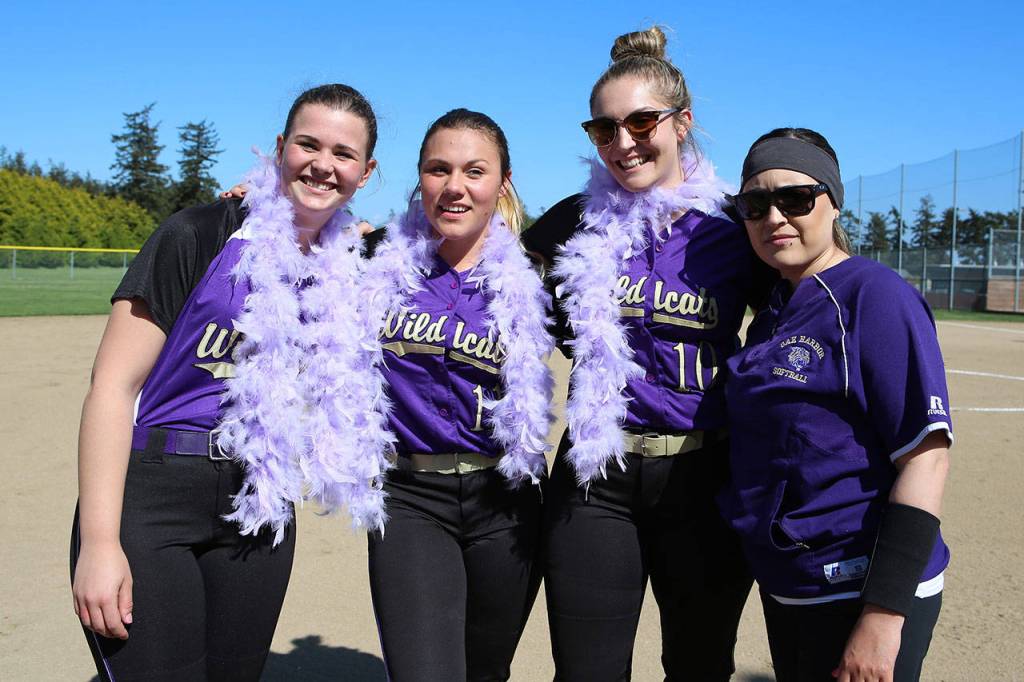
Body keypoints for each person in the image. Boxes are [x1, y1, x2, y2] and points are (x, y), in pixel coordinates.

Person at [70, 83, 388, 681]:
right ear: (279, 148)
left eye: (344, 155)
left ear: (366, 172)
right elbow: (111, 388)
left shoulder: (355, 264)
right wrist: (99, 543)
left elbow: (461, 232)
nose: (323, 165)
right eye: (308, 145)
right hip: (155, 493)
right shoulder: (198, 233)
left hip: (259, 505)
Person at [524, 26, 763, 681]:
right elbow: (475, 268)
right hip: (596, 481)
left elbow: (808, 299)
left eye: (640, 122)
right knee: (586, 671)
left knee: (698, 665)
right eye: (603, 129)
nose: (622, 142)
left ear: (681, 123)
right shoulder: (573, 219)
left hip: (704, 478)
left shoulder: (736, 224)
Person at [719, 127, 952, 682]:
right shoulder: (778, 307)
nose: (774, 216)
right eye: (755, 203)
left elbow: (927, 456)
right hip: (793, 583)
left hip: (860, 584)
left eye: (795, 198)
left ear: (832, 200)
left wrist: (882, 615)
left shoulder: (875, 295)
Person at [357, 108, 555, 682]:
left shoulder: (540, 275)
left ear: (503, 181)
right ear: (419, 178)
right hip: (410, 498)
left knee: (486, 672)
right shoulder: (373, 263)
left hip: (507, 500)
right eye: (438, 169)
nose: (455, 186)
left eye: (475, 170)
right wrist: (244, 203)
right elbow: (292, 240)